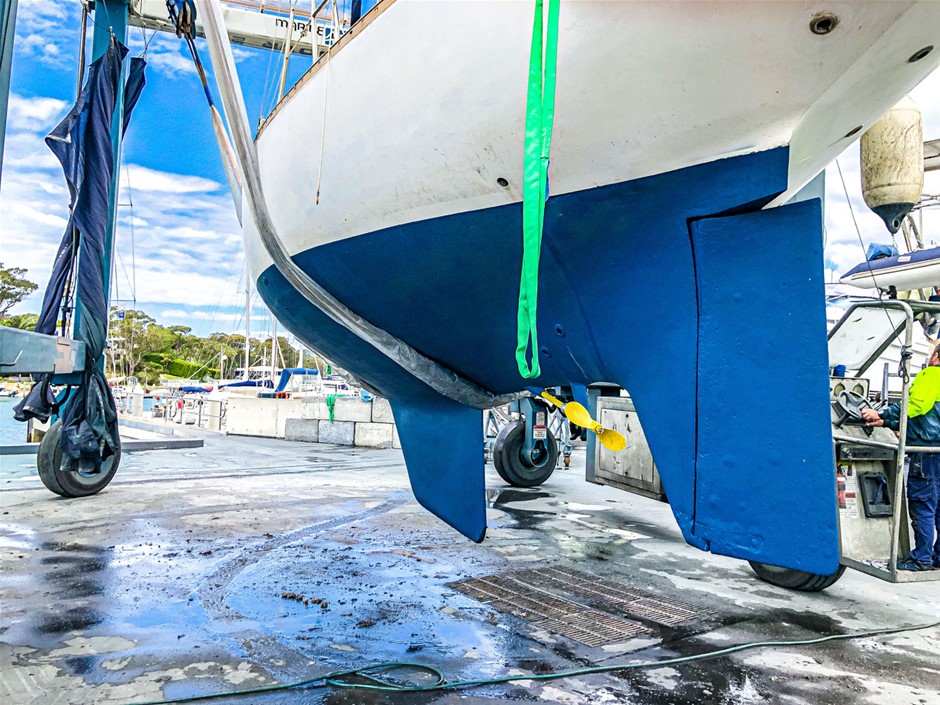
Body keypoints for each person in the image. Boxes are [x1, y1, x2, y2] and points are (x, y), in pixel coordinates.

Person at [861, 343, 940, 571]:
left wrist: (882, 413)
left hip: (925, 453)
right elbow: (926, 416)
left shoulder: (932, 375)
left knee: (923, 506)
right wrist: (886, 422)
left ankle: (920, 559)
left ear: (935, 356)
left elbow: (914, 406)